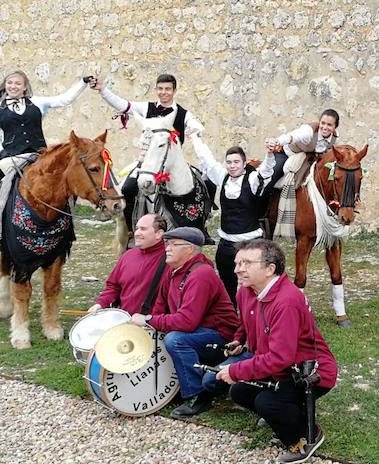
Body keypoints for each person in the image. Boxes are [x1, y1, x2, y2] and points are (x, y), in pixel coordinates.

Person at [211, 239, 337, 464]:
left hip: (310, 373)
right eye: (237, 263)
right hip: (281, 368)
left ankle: (306, 437)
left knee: (267, 403)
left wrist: (237, 370)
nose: (238, 269)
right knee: (240, 392)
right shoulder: (247, 291)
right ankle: (286, 414)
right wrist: (240, 339)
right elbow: (246, 322)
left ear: (270, 269)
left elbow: (281, 358)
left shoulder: (286, 301)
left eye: (247, 263)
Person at [129, 226, 238, 418]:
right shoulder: (173, 271)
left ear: (190, 249)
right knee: (161, 334)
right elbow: (160, 308)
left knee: (175, 340)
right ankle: (180, 384)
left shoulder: (201, 274)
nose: (167, 248)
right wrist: (148, 324)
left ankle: (198, 396)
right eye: (166, 244)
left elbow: (187, 322)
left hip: (221, 336)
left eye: (173, 244)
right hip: (199, 332)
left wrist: (148, 319)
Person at [91, 73, 205, 230]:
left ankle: (202, 225)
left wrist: (195, 130)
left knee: (208, 184)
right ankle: (131, 230)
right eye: (160, 89)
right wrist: (103, 90)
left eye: (167, 89)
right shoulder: (146, 108)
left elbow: (196, 125)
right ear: (156, 89)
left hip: (172, 163)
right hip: (149, 162)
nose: (163, 92)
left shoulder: (183, 114)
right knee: (128, 189)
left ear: (174, 91)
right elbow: (123, 104)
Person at [191, 135, 275, 303]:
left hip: (250, 242)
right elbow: (207, 159)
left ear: (244, 164)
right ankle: (231, 318)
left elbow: (266, 170)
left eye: (236, 162)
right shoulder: (223, 177)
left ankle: (254, 317)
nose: (232, 165)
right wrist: (194, 137)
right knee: (227, 283)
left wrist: (270, 154)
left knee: (252, 284)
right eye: (229, 162)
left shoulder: (252, 180)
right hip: (226, 243)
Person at [0, 71, 91, 214]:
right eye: (9, 83)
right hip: (12, 156)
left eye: (18, 83)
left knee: (65, 175)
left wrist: (82, 83)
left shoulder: (37, 102)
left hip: (39, 154)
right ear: (5, 85)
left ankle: (66, 216)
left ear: (25, 87)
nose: (13, 86)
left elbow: (64, 99)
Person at [88, 214, 168, 315]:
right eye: (137, 228)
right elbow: (113, 286)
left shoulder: (171, 258)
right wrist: (100, 304)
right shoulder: (127, 255)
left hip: (153, 325)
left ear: (159, 234)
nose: (137, 233)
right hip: (124, 321)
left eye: (143, 229)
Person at [266, 108, 340, 187]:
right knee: (272, 175)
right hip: (288, 154)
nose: (325, 127)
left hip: (309, 160)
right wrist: (277, 141)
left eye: (329, 125)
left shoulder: (335, 138)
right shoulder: (308, 131)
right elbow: (292, 137)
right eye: (323, 123)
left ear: (335, 126)